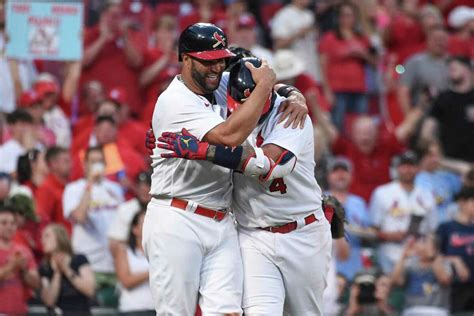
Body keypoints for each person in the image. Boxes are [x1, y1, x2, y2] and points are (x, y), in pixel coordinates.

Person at [157, 57, 333, 314]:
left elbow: (268, 168)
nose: (244, 107)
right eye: (239, 101)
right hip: (253, 236)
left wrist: (206, 151)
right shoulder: (222, 100)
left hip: (302, 233)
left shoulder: (291, 115)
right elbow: (185, 96)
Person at [144, 22, 277, 315]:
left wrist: (294, 95)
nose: (216, 68)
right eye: (208, 61)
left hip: (220, 219)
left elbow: (260, 73)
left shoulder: (216, 84)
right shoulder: (174, 100)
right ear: (187, 59)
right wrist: (266, 85)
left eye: (220, 60)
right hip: (177, 217)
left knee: (228, 312)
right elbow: (230, 137)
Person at [63, 146, 124, 307]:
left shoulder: (115, 189)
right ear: (85, 165)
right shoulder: (73, 189)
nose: (97, 165)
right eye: (93, 162)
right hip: (89, 265)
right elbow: (80, 217)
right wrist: (89, 184)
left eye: (100, 161)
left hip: (113, 265)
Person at [369, 151, 438, 274]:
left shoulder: (427, 195)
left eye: (411, 166)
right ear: (397, 168)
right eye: (404, 166)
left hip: (418, 255)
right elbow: (373, 230)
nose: (407, 170)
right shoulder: (382, 193)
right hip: (390, 253)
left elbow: (432, 231)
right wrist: (389, 235)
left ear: (417, 168)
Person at [81, 0, 145, 115]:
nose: (117, 19)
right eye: (113, 15)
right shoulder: (90, 34)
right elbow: (84, 61)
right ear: (103, 15)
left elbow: (137, 62)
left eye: (120, 15)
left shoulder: (127, 35)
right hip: (97, 103)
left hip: (125, 103)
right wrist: (102, 38)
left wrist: (125, 37)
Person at [319, 1, 375, 130]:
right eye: (344, 15)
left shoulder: (362, 38)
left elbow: (374, 63)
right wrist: (327, 91)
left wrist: (363, 55)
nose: (347, 18)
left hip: (359, 88)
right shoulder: (330, 37)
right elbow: (323, 65)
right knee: (338, 125)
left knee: (360, 125)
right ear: (338, 18)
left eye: (350, 15)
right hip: (338, 89)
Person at [326, 156, 372, 281]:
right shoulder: (319, 199)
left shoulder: (359, 202)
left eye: (344, 171)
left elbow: (370, 232)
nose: (340, 175)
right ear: (328, 176)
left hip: (355, 263)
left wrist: (353, 229)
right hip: (328, 261)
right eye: (336, 171)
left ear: (351, 176)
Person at [391, 235, 462, 315]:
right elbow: (395, 281)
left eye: (425, 242)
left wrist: (434, 258)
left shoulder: (444, 263)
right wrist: (403, 256)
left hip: (436, 311)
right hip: (411, 310)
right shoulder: (410, 263)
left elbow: (445, 280)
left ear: (435, 248)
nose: (419, 244)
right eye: (421, 241)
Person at [422, 56, 474, 163]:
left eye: (455, 67)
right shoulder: (443, 98)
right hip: (451, 163)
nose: (451, 69)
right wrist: (434, 146)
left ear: (469, 69)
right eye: (450, 68)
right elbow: (426, 131)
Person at [39, 224, 95, 315]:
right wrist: (57, 273)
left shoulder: (79, 259)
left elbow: (89, 290)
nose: (42, 240)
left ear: (59, 238)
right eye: (42, 237)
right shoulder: (45, 267)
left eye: (47, 236)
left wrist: (67, 270)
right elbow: (49, 301)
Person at [436, 186, 474, 313]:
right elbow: (435, 255)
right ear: (462, 202)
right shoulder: (446, 227)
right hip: (455, 285)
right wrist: (454, 259)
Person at [397, 26, 449, 115]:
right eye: (436, 39)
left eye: (442, 39)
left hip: (449, 116)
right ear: (428, 41)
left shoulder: (454, 63)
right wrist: (409, 117)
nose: (439, 43)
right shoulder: (415, 62)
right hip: (424, 114)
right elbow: (403, 91)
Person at [0, 205, 40, 315]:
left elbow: (36, 284)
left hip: (20, 311)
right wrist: (12, 266)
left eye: (13, 223)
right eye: (4, 223)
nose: (9, 227)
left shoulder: (24, 250)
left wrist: (24, 270)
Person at [115, 210, 154, 315]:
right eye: (145, 222)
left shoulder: (160, 252)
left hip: (157, 309)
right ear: (135, 229)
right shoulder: (124, 251)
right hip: (132, 310)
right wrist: (152, 271)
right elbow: (126, 281)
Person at [271, 0, 320, 82]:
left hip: (311, 68)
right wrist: (298, 34)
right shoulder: (284, 15)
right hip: (292, 70)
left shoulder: (309, 15)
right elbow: (278, 44)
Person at [415, 140, 463, 223]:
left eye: (438, 155)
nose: (435, 159)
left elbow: (468, 172)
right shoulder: (415, 178)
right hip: (429, 225)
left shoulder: (447, 176)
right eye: (431, 155)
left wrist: (445, 163)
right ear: (421, 157)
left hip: (452, 224)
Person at [108, 171, 151, 256]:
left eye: (147, 186)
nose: (144, 190)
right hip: (133, 257)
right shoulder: (125, 209)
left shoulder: (161, 208)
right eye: (140, 186)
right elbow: (114, 243)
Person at [36, 146, 73, 232]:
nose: (71, 165)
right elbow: (43, 221)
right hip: (60, 241)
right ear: (53, 164)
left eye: (70, 161)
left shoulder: (71, 186)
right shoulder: (46, 189)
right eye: (66, 161)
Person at [0, 109, 36, 175]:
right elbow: (12, 175)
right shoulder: (5, 150)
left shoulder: (37, 146)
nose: (25, 129)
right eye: (22, 125)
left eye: (28, 125)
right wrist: (28, 151)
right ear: (11, 126)